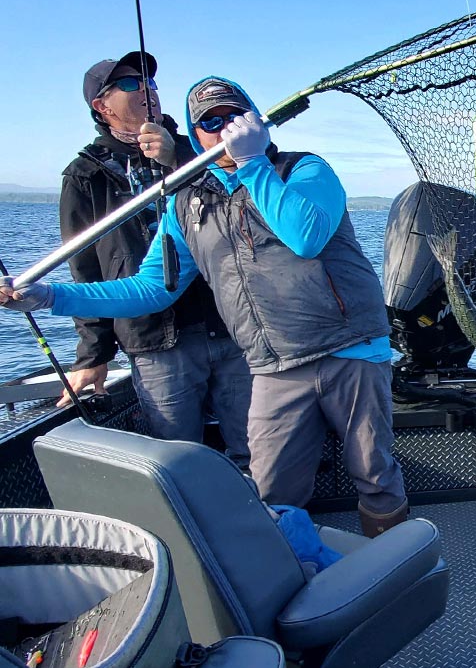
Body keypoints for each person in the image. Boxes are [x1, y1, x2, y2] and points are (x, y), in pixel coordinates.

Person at [3, 76, 409, 536]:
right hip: (273, 366)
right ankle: (298, 583)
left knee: (374, 474)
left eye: (234, 116)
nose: (224, 129)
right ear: (196, 136)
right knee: (272, 492)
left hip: (350, 350)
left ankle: (395, 558)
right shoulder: (186, 204)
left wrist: (253, 163)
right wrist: (52, 296)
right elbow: (152, 288)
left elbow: (307, 235)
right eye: (210, 123)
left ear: (255, 121)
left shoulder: (304, 171)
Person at [61, 51, 251, 467]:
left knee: (256, 449)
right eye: (129, 84)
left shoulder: (199, 148)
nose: (146, 89)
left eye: (149, 83)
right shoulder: (84, 175)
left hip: (231, 325)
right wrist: (93, 356)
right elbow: (85, 271)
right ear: (102, 106)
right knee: (177, 459)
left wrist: (178, 159)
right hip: (154, 340)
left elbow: (243, 195)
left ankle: (265, 526)